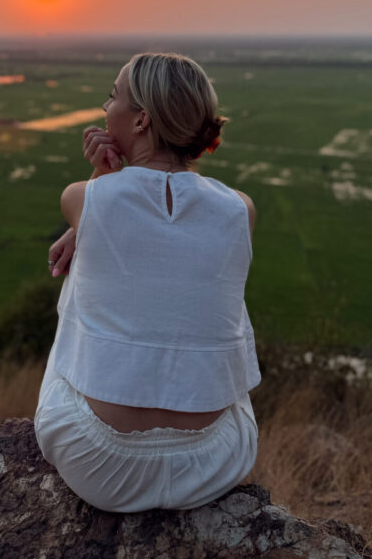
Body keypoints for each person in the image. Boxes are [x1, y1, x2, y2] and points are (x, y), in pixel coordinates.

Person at [34, 52, 260, 512]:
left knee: (81, 280)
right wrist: (84, 226)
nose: (104, 107)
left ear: (140, 121)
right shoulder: (241, 209)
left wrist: (101, 172)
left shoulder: (81, 196)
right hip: (214, 462)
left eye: (113, 96)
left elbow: (105, 207)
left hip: (96, 460)